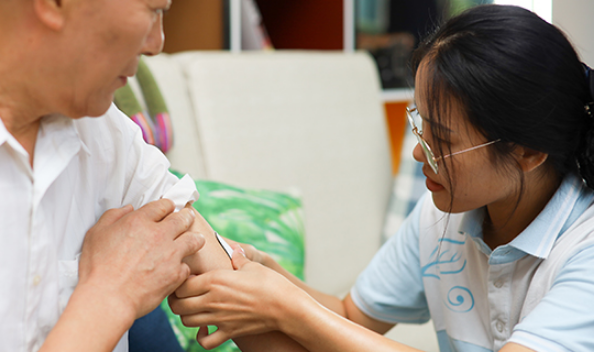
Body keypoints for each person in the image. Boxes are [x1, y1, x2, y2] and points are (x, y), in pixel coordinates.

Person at [170, 5, 594, 352]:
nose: (417, 152)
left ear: (528, 153)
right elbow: (352, 317)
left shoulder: (585, 246)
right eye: (420, 126)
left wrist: (289, 308)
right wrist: (274, 277)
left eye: (441, 140)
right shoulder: (440, 218)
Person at [0, 0, 235, 351]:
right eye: (153, 9)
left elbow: (219, 266)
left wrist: (289, 308)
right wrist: (110, 296)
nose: (156, 43)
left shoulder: (97, 126)